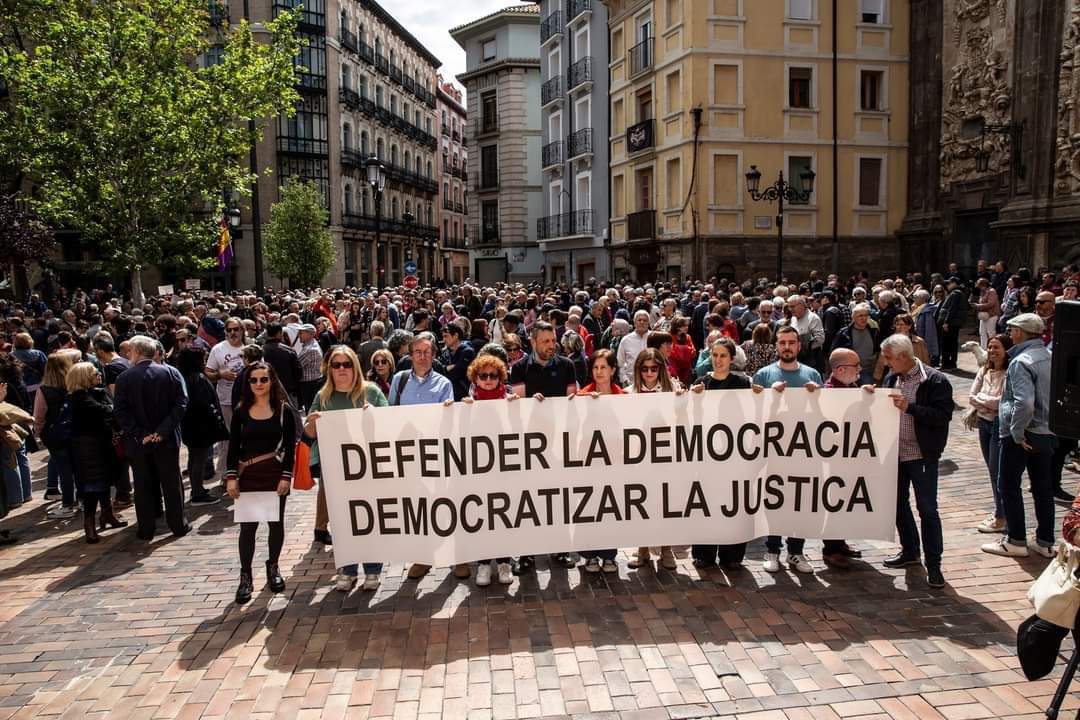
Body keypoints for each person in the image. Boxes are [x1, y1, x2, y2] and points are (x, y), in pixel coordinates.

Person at [305, 346, 388, 592]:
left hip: (368, 467)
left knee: (369, 518)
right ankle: (348, 569)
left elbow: (390, 423)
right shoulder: (323, 396)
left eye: (347, 364)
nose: (342, 369)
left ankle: (373, 570)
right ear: (329, 369)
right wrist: (312, 424)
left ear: (355, 366)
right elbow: (309, 434)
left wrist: (375, 415)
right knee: (343, 521)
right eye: (336, 364)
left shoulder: (371, 392)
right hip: (336, 469)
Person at [879, 334, 955, 588]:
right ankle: (910, 551)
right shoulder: (892, 378)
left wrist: (910, 408)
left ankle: (934, 565)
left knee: (928, 510)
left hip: (921, 455)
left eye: (889, 358)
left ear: (903, 356)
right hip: (895, 455)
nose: (886, 363)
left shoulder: (935, 380)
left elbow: (943, 415)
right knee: (898, 505)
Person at [982, 313, 1056, 560]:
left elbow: (1024, 402)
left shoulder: (1020, 361)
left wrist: (1015, 431)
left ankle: (1015, 540)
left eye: (1012, 330)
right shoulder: (1048, 355)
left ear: (1021, 333)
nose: (1010, 333)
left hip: (1023, 433)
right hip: (1045, 431)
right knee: (1042, 486)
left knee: (1008, 485)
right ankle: (1045, 541)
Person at [387, 332, 458, 580]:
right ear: (410, 355)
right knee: (419, 507)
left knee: (444, 504)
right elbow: (390, 414)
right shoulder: (399, 380)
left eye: (427, 352)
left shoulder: (444, 384)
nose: (422, 356)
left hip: (435, 452)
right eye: (418, 352)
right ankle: (424, 558)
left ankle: (455, 557)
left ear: (434, 355)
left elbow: (447, 419)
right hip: (408, 453)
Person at [752, 325, 822, 574]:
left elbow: (823, 416)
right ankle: (772, 549)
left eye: (791, 342)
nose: (787, 347)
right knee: (774, 500)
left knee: (801, 500)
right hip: (774, 452)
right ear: (776, 346)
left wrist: (815, 397)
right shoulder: (763, 375)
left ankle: (796, 551)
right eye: (782, 343)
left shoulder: (812, 374)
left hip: (804, 452)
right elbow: (755, 415)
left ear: (799, 346)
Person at [509, 320, 578, 573]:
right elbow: (518, 403)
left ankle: (559, 548)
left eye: (553, 341)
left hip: (558, 440)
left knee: (557, 497)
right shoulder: (518, 368)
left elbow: (572, 399)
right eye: (546, 341)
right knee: (528, 499)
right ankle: (527, 554)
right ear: (533, 342)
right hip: (529, 444)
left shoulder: (567, 366)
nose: (552, 345)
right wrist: (529, 403)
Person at [224, 362, 294, 604]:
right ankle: (245, 576)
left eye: (263, 379)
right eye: (254, 380)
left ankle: (273, 567)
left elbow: (289, 449)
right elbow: (232, 447)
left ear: (272, 381)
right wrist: (231, 476)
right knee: (248, 528)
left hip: (275, 476)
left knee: (275, 524)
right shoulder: (241, 412)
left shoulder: (284, 410)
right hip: (249, 476)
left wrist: (287, 476)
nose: (259, 384)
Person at [114, 335, 191, 541]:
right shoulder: (170, 373)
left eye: (130, 352)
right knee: (171, 484)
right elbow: (181, 404)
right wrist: (162, 431)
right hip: (164, 439)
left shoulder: (125, 378)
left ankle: (146, 528)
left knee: (143, 484)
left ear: (137, 352)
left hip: (140, 441)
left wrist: (142, 434)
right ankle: (178, 524)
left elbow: (121, 411)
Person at [689, 337, 751, 571]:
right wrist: (692, 398)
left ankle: (732, 554)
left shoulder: (743, 383)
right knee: (707, 503)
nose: (718, 360)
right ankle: (704, 553)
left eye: (723, 355)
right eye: (714, 355)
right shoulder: (702, 383)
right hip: (708, 455)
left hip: (735, 454)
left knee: (733, 503)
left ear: (732, 358)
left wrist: (758, 395)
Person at [461, 352, 517, 586]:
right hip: (480, 470)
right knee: (482, 516)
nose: (488, 379)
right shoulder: (468, 400)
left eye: (493, 375)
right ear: (475, 377)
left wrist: (519, 406)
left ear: (500, 377)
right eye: (483, 375)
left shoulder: (510, 398)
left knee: (503, 515)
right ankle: (484, 564)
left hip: (504, 468)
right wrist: (456, 410)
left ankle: (504, 562)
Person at [627, 348, 682, 570]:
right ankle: (642, 548)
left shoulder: (674, 390)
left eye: (654, 368)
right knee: (641, 503)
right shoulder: (629, 393)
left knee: (665, 504)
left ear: (661, 369)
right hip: (639, 457)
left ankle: (666, 548)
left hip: (666, 456)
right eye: (644, 368)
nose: (649, 373)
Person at [819, 348, 872, 569]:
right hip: (835, 461)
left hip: (850, 458)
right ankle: (830, 548)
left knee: (844, 501)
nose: (860, 369)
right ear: (840, 369)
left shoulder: (851, 389)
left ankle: (839, 542)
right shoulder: (830, 392)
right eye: (855, 366)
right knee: (834, 502)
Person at [65, 362, 128, 543]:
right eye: (94, 373)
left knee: (105, 482)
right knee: (93, 486)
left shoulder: (96, 393)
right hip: (88, 448)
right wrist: (112, 410)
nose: (99, 375)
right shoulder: (79, 398)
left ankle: (107, 514)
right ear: (84, 377)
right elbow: (104, 410)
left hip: (102, 445)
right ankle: (89, 524)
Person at [574, 349, 624, 574]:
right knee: (589, 507)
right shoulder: (582, 395)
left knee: (610, 508)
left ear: (613, 370)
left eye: (603, 367)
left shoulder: (623, 397)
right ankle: (589, 554)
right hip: (588, 462)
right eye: (595, 367)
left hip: (614, 463)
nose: (599, 371)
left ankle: (609, 555)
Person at [33, 349, 82, 516]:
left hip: (54, 434)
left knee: (64, 470)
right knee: (78, 467)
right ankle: (82, 500)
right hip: (76, 431)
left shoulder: (44, 389)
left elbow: (39, 416)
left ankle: (68, 504)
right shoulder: (74, 385)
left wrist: (39, 433)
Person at [970, 334, 1011, 535]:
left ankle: (1002, 516)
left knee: (997, 471)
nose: (993, 351)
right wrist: (987, 401)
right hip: (983, 422)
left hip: (998, 424)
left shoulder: (1009, 372)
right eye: (990, 347)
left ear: (1005, 350)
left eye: (997, 347)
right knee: (991, 470)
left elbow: (1000, 402)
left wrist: (983, 400)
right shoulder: (984, 369)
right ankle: (1000, 512)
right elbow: (971, 396)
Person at [176, 346, 224, 506]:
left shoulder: (184, 377)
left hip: (190, 426)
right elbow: (205, 403)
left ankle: (197, 489)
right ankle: (197, 493)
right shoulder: (198, 379)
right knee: (199, 460)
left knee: (194, 458)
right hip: (200, 426)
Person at [205, 317, 246, 482]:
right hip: (226, 401)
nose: (232, 333)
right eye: (229, 330)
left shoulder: (249, 348)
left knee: (246, 437)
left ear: (242, 330)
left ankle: (244, 471)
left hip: (248, 401)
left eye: (236, 329)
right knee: (229, 439)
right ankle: (226, 474)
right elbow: (207, 373)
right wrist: (220, 374)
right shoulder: (218, 349)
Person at [873, 313, 928, 383]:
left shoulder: (919, 342)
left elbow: (926, 361)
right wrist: (877, 378)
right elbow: (881, 361)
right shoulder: (890, 342)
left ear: (909, 326)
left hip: (916, 377)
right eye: (897, 324)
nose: (899, 327)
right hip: (895, 376)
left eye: (902, 324)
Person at [831, 303, 877, 385]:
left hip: (869, 371)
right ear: (854, 318)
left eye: (866, 315)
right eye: (860, 316)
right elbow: (835, 352)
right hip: (850, 373)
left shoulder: (873, 331)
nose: (864, 318)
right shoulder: (844, 333)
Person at [261, 323, 302, 408]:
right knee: (293, 418)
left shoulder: (261, 351)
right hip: (288, 391)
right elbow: (298, 372)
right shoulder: (289, 350)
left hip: (268, 391)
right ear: (280, 333)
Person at [937, 276, 968, 370]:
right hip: (953, 323)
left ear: (954, 283)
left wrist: (946, 322)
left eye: (949, 283)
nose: (948, 285)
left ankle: (947, 364)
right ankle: (950, 363)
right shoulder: (958, 293)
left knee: (947, 344)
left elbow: (952, 309)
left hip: (951, 323)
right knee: (951, 343)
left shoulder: (955, 293)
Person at [439, 323, 476, 401]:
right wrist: (447, 368)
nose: (444, 340)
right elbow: (439, 370)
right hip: (448, 395)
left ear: (455, 335)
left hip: (464, 395)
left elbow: (457, 373)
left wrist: (446, 370)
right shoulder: (445, 353)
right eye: (443, 337)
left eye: (446, 336)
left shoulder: (467, 352)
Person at [616, 310, 651, 387]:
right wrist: (624, 379)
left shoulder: (654, 337)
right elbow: (620, 363)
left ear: (648, 323)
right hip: (631, 383)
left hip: (652, 383)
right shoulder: (626, 340)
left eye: (645, 320)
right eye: (639, 320)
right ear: (634, 323)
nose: (642, 322)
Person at [296, 324, 323, 411]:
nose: (298, 335)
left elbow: (297, 365)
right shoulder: (309, 345)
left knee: (311, 410)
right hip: (311, 383)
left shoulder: (310, 349)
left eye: (301, 333)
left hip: (309, 384)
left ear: (310, 334)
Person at [974, 278, 1001, 349]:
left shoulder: (992, 291)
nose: (979, 287)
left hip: (992, 315)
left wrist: (979, 306)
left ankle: (993, 347)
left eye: (980, 286)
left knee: (991, 332)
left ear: (984, 285)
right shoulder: (983, 292)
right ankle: (984, 349)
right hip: (984, 315)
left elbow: (991, 303)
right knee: (982, 332)